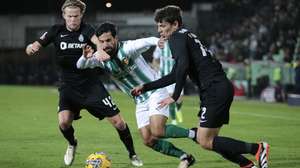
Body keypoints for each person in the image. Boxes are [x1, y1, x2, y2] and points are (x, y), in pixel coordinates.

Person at [131, 5, 270, 168]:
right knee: (210, 140)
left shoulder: (176, 37)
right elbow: (175, 74)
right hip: (217, 88)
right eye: (158, 26)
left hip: (214, 89)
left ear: (175, 24)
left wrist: (174, 96)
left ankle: (258, 149)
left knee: (204, 140)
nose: (159, 30)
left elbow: (182, 67)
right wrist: (146, 87)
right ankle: (247, 165)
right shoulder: (186, 36)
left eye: (162, 25)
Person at [25, 0, 142, 167]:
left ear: (81, 16)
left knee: (119, 123)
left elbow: (97, 42)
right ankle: (72, 144)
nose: (73, 19)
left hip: (91, 85)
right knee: (64, 122)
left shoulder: (87, 30)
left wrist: (100, 51)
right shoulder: (55, 31)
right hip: (68, 86)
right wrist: (31, 48)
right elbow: (35, 44)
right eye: (70, 16)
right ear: (64, 16)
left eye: (76, 16)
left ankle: (133, 154)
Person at [76, 22, 197, 168]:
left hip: (154, 91)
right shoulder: (99, 58)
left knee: (157, 130)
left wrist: (157, 41)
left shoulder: (127, 48)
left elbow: (145, 41)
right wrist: (85, 57)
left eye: (108, 40)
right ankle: (185, 157)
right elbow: (80, 65)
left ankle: (194, 134)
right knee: (148, 140)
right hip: (140, 100)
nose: (105, 44)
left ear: (115, 38)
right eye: (101, 42)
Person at [152, 41, 184, 125]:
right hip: (166, 76)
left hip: (178, 75)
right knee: (171, 96)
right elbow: (155, 59)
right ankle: (173, 120)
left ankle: (178, 109)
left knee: (180, 99)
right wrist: (156, 69)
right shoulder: (161, 44)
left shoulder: (179, 44)